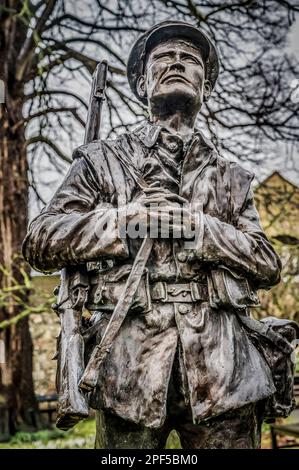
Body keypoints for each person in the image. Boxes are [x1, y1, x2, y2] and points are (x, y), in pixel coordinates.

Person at [23, 21, 282, 449]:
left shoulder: (232, 179)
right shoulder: (101, 161)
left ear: (206, 86)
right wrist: (124, 221)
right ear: (142, 83)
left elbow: (267, 262)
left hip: (225, 370)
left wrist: (201, 229)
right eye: (164, 57)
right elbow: (41, 240)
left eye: (191, 59)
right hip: (128, 366)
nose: (178, 61)